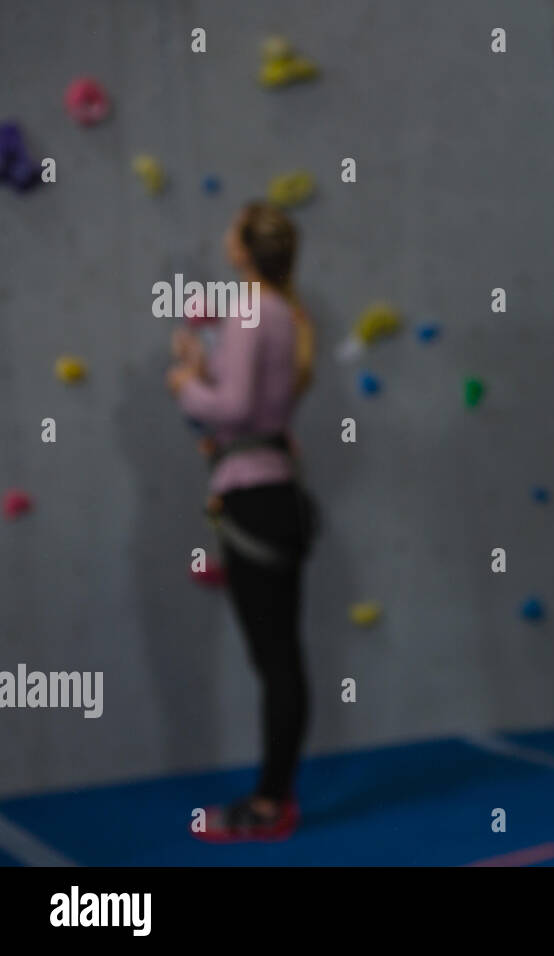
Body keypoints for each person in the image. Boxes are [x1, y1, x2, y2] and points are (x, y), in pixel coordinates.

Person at [167, 201, 316, 842]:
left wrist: (183, 383)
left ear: (243, 250)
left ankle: (267, 804)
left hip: (253, 499)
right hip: (274, 489)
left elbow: (229, 407)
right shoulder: (282, 314)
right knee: (280, 654)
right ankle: (272, 796)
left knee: (275, 658)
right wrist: (204, 375)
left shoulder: (251, 310)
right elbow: (253, 412)